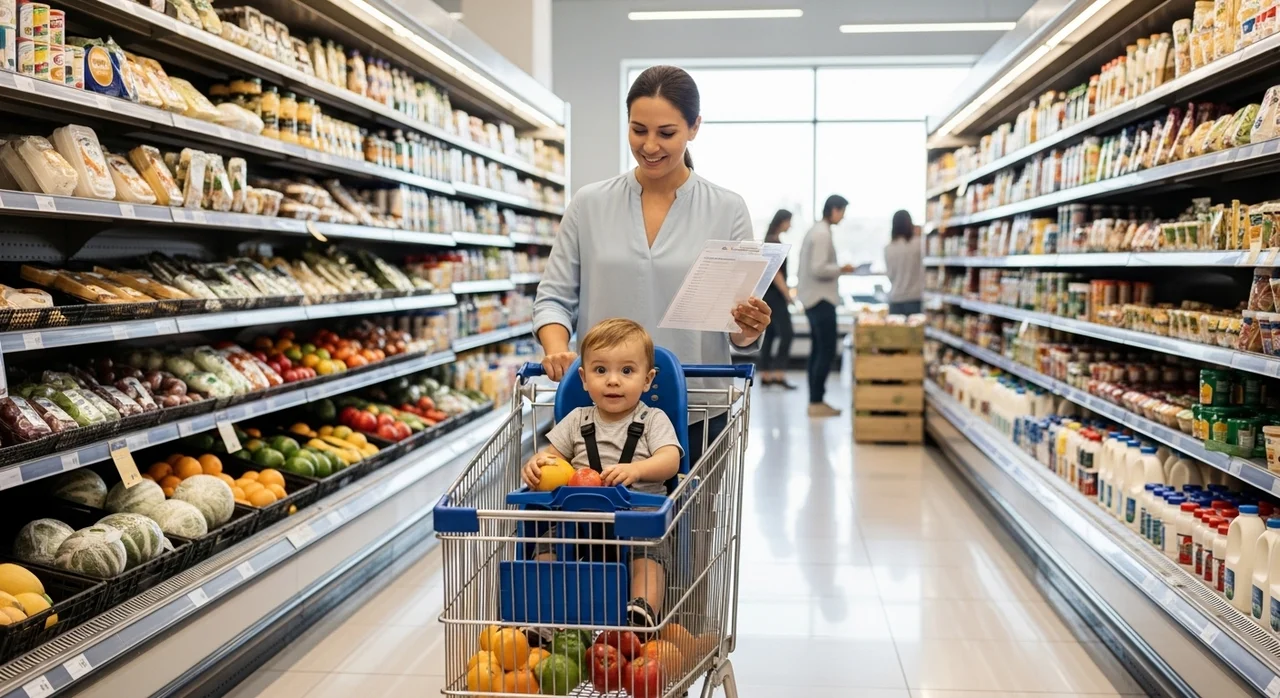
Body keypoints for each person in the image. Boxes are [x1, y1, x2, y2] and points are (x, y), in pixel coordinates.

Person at [534, 65, 772, 464]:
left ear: (694, 127)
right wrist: (557, 349)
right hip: (598, 417)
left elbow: (735, 329)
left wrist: (748, 327)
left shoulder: (727, 209)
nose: (649, 146)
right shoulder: (589, 204)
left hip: (697, 408)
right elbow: (554, 298)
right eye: (638, 130)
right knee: (600, 525)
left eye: (666, 133)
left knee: (689, 527)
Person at [522, 319, 682, 629]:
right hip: (582, 517)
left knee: (649, 551)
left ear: (648, 380)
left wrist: (636, 469)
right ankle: (546, 614)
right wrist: (535, 464)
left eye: (626, 371)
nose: (612, 381)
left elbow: (670, 459)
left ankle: (641, 610)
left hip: (638, 514)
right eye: (600, 370)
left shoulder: (653, 419)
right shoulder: (576, 420)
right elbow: (551, 459)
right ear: (582, 378)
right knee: (547, 546)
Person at [797, 195, 854, 418]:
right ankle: (817, 401)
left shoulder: (817, 230)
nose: (843, 217)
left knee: (818, 350)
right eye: (842, 211)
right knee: (826, 350)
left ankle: (815, 400)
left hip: (813, 299)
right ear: (834, 209)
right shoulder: (822, 234)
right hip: (820, 300)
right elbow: (818, 268)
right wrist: (843, 269)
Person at [759, 209, 796, 388]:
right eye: (789, 221)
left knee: (770, 335)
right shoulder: (773, 242)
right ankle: (779, 374)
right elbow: (776, 273)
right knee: (787, 333)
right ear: (782, 221)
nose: (791, 225)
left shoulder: (768, 240)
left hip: (767, 294)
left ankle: (766, 375)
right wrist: (787, 294)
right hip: (776, 295)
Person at [884, 209, 924, 316]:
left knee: (897, 332)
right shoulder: (918, 244)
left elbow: (890, 275)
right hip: (915, 299)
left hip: (895, 299)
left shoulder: (888, 248)